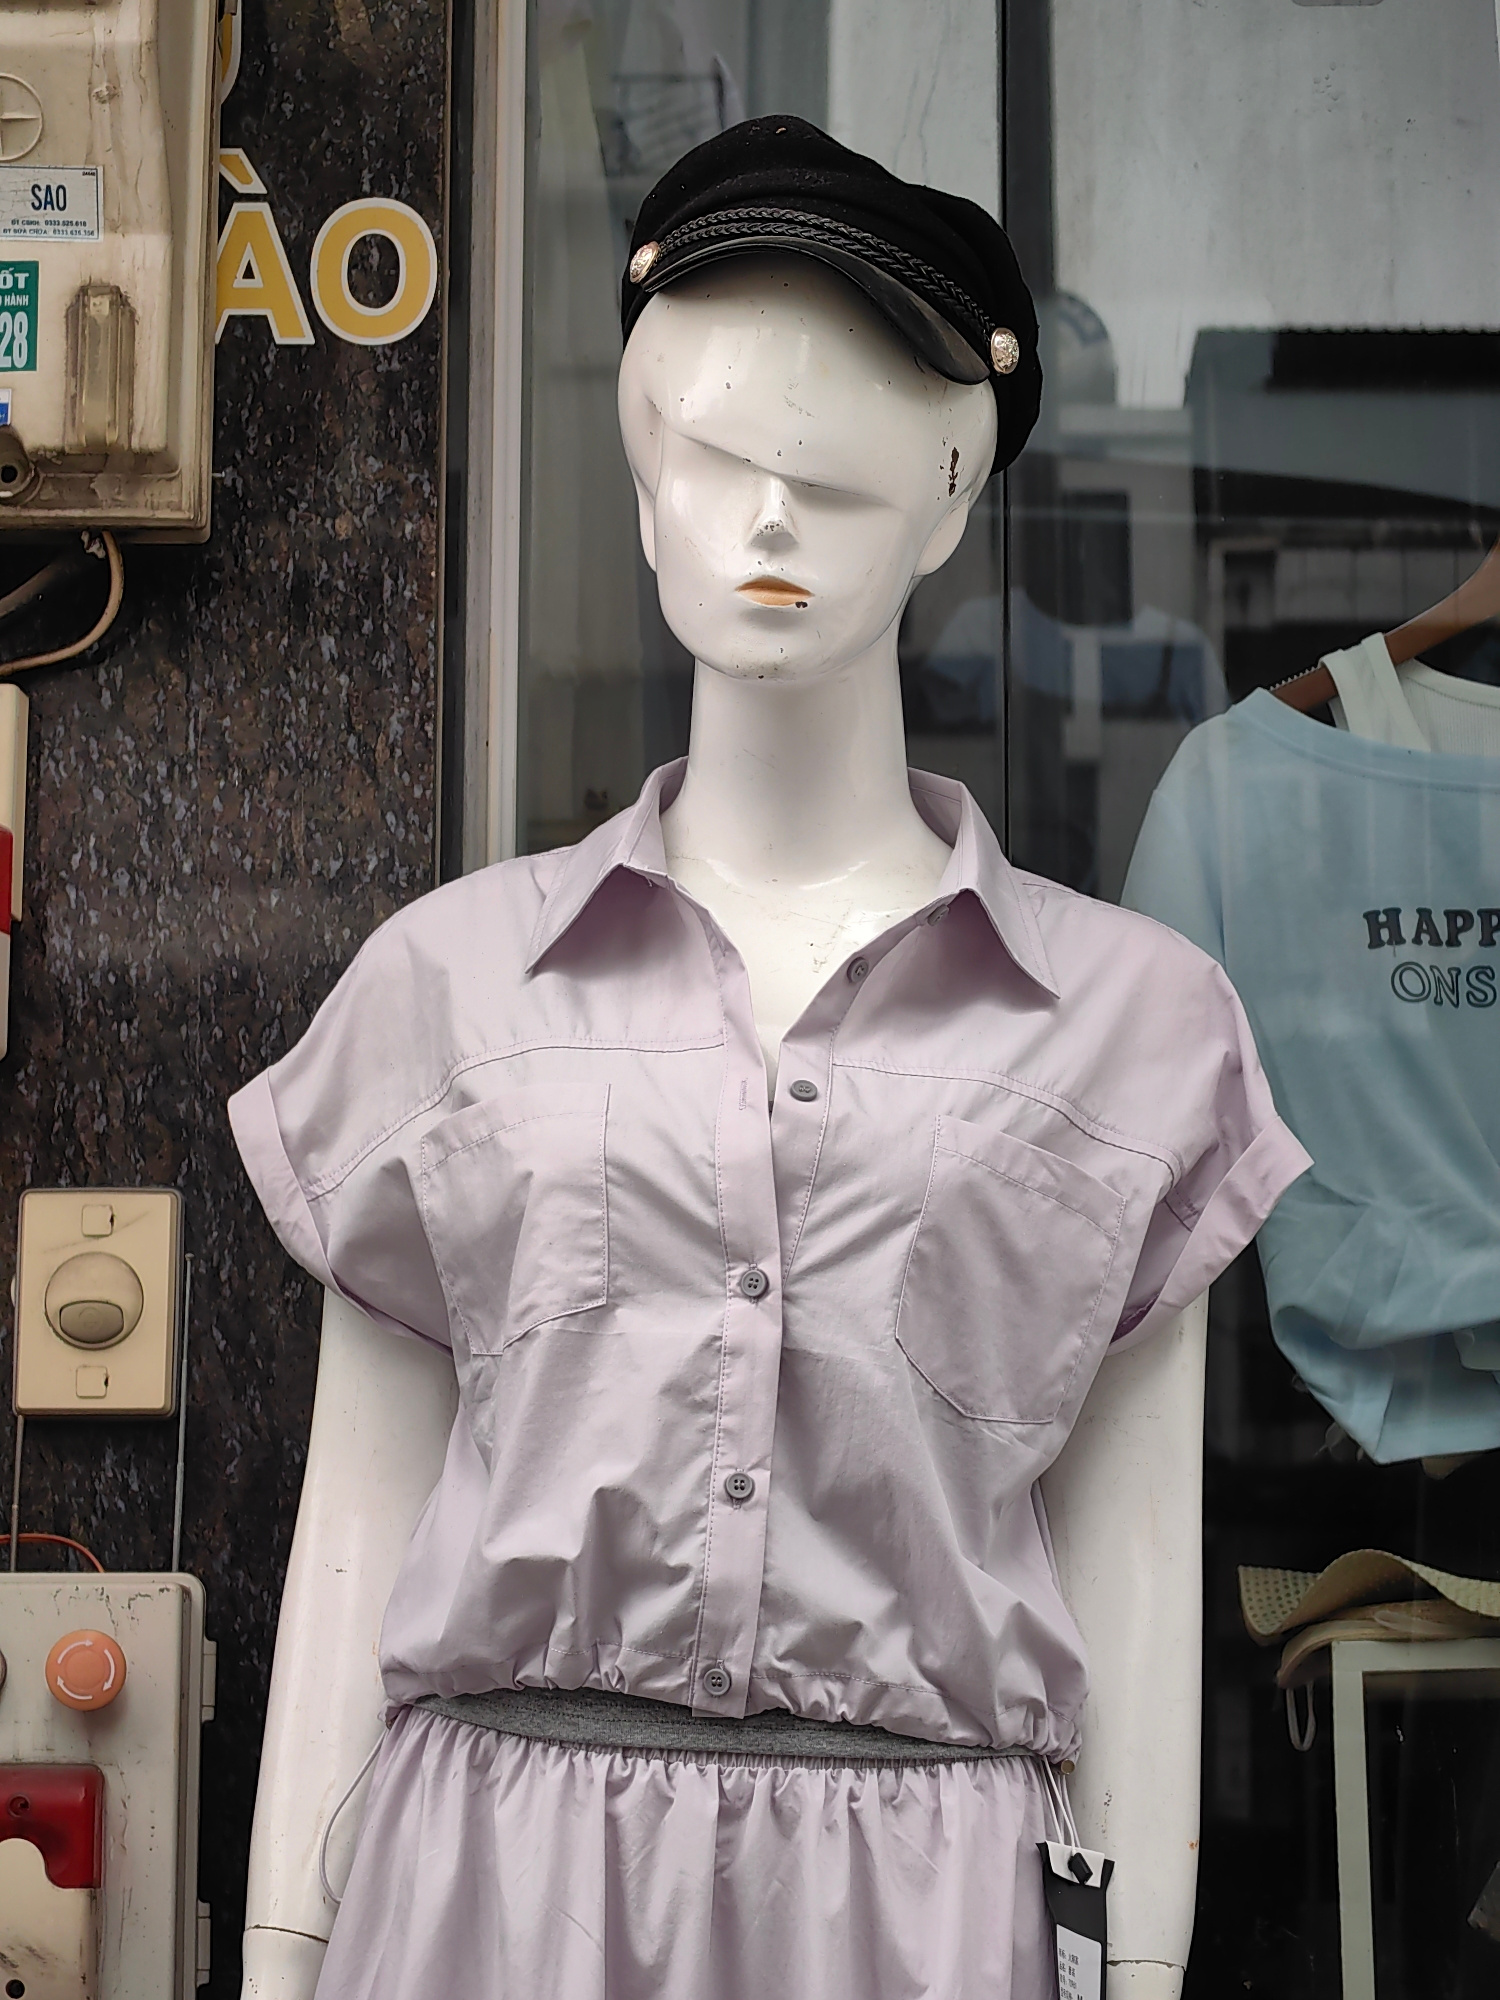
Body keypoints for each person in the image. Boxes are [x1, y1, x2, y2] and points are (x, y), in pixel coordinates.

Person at [232, 117, 1308, 2000]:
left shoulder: (1132, 1032)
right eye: (720, 461)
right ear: (643, 487)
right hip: (487, 1894)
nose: (772, 524)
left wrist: (1132, 1978)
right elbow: (354, 1532)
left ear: (951, 507)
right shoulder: (451, 985)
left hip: (920, 1910)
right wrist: (280, 1954)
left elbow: (1138, 1578)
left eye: (836, 478)